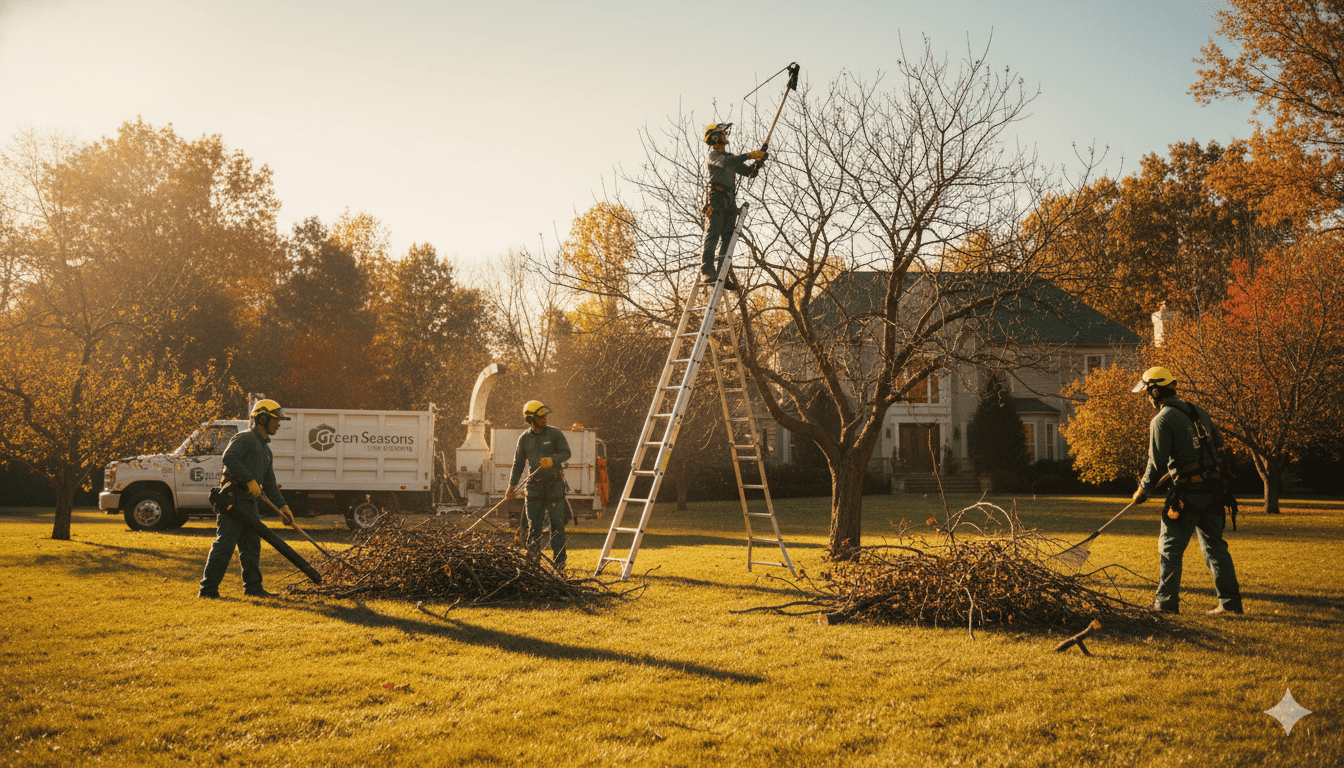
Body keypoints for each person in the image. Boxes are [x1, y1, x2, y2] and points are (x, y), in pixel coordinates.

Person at [1130, 367, 1243, 615]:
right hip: (1214, 489)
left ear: (1155, 392)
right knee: (1215, 548)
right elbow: (1218, 442)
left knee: (1170, 549)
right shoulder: (1197, 411)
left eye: (1148, 393)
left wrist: (1143, 489)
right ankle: (1230, 604)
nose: (1147, 398)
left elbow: (1156, 463)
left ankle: (1165, 604)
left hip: (1187, 494)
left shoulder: (1162, 419)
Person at [198, 399, 297, 599]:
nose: (279, 424)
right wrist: (249, 479)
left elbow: (270, 483)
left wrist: (284, 507)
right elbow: (229, 457)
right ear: (263, 418)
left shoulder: (266, 451)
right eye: (276, 419)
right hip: (232, 501)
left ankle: (253, 588)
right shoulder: (244, 438)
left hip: (249, 504)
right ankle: (207, 591)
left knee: (252, 546)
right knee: (225, 545)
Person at [506, 400, 572, 571]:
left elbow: (566, 453)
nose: (544, 419)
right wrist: (511, 486)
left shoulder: (555, 433)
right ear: (530, 419)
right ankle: (532, 564)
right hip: (534, 487)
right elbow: (518, 464)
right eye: (541, 416)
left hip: (554, 485)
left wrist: (553, 460)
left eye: (545, 416)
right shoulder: (524, 439)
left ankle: (559, 564)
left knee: (557, 527)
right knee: (534, 528)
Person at [701, 123, 766, 291]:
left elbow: (749, 173)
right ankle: (707, 270)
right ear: (714, 137)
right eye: (722, 134)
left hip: (730, 200)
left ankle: (722, 272)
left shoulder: (730, 158)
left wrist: (758, 162)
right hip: (716, 198)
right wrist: (749, 155)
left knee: (728, 238)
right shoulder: (713, 156)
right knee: (714, 234)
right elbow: (727, 162)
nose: (725, 136)